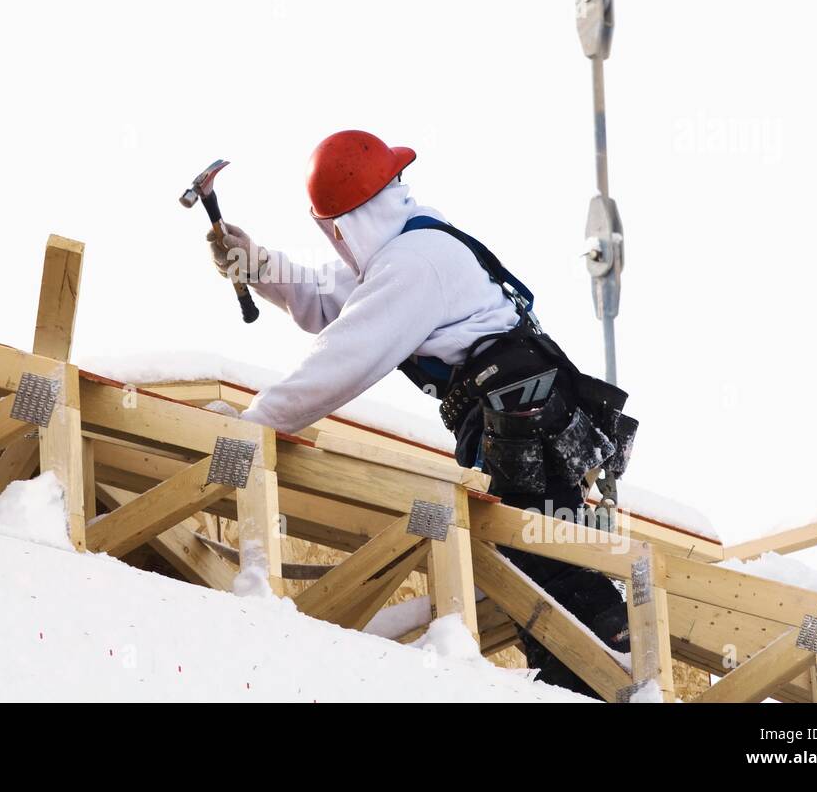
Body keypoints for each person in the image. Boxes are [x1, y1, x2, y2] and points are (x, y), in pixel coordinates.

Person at [207, 129, 638, 696]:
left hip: (521, 430)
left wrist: (248, 430)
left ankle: (610, 680)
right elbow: (326, 302)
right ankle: (599, 676)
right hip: (521, 425)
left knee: (549, 576)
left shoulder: (413, 265)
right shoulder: (403, 247)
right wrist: (255, 262)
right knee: (539, 570)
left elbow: (339, 362)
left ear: (343, 224)